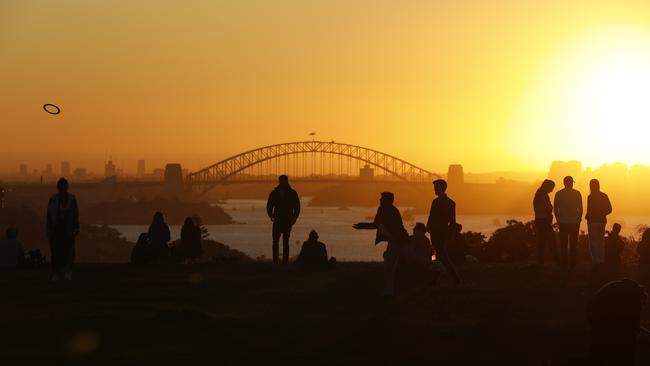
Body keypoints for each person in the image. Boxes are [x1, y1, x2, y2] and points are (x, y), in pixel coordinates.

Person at [354, 192, 409, 296]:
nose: (379, 200)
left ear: (387, 200)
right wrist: (363, 225)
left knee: (390, 266)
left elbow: (376, 224)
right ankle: (390, 290)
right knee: (391, 265)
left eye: (382, 198)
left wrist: (362, 226)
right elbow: (378, 225)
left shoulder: (385, 210)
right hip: (397, 239)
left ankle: (389, 291)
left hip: (397, 240)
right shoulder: (392, 209)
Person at [586, 279, 650, 365]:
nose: (641, 308)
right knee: (625, 340)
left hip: (595, 313)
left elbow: (631, 320)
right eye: (641, 305)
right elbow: (633, 320)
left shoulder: (626, 289)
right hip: (600, 315)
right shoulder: (632, 295)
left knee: (600, 341)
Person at [427, 179, 461, 285]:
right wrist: (428, 227)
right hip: (434, 232)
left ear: (442, 188)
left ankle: (455, 278)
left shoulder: (450, 203)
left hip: (441, 233)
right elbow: (431, 216)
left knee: (442, 256)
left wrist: (449, 235)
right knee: (440, 256)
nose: (434, 190)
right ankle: (437, 279)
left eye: (436, 187)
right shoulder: (435, 202)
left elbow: (452, 221)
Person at [46, 178, 79, 281]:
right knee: (55, 251)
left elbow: (75, 215)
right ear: (58, 187)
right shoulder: (53, 199)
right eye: (61, 186)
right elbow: (49, 215)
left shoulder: (71, 199)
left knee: (68, 250)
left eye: (64, 186)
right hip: (56, 228)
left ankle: (67, 272)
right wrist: (49, 228)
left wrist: (76, 227)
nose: (62, 188)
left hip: (68, 228)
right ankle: (56, 272)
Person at [266, 175, 301, 264]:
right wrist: (270, 214)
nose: (282, 183)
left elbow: (297, 207)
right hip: (278, 219)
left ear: (286, 181)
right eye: (281, 181)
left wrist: (294, 217)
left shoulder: (292, 193)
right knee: (275, 241)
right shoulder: (275, 193)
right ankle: (275, 262)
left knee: (285, 241)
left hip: (287, 220)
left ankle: (285, 262)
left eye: (283, 181)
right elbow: (269, 205)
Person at [554, 176, 583, 272]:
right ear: (571, 183)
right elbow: (580, 208)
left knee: (563, 244)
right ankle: (572, 265)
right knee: (573, 244)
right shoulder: (577, 193)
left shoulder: (558, 194)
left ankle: (564, 265)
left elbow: (556, 209)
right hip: (574, 222)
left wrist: (558, 219)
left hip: (563, 222)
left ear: (564, 183)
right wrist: (579, 219)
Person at [586, 179, 613, 268]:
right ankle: (601, 260)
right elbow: (609, 209)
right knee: (601, 241)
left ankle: (595, 261)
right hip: (601, 221)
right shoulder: (604, 196)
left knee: (593, 242)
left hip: (592, 222)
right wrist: (602, 213)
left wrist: (589, 215)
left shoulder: (590, 197)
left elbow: (589, 210)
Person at [534, 179, 559, 266]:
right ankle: (556, 260)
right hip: (544, 221)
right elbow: (548, 207)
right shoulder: (543, 195)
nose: (552, 190)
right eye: (551, 188)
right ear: (547, 186)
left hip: (539, 220)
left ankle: (540, 261)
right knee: (551, 240)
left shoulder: (538, 193)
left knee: (542, 242)